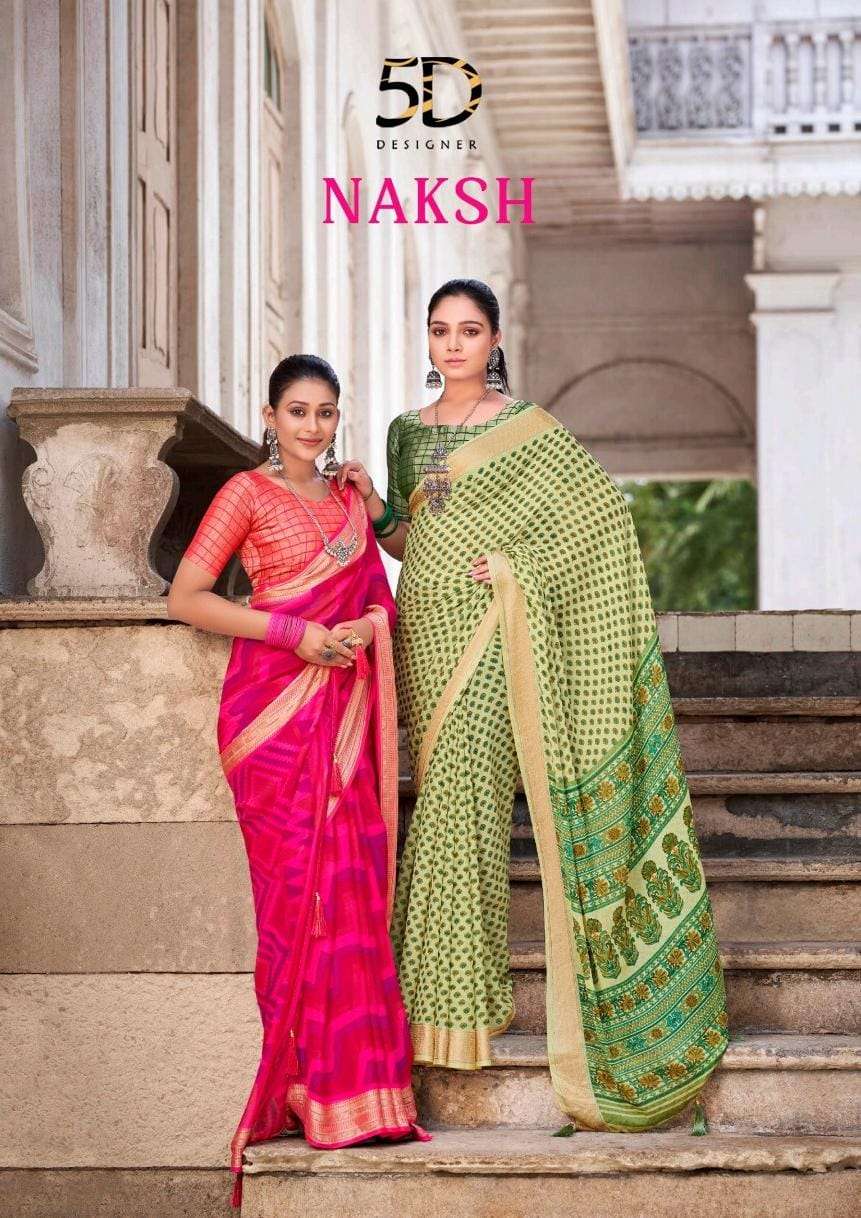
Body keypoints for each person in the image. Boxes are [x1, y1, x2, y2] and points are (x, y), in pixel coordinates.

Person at [336, 279, 729, 1135]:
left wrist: (516, 568)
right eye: (440, 330)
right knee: (444, 796)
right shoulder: (408, 432)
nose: (452, 344)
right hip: (425, 626)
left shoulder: (530, 430)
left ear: (494, 340)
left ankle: (454, 1009)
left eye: (468, 330)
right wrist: (374, 507)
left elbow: (597, 525)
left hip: (491, 624)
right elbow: (413, 535)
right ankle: (436, 1006)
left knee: (463, 800)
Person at [167, 354, 428, 1209]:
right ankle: (299, 1087)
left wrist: (364, 619)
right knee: (293, 903)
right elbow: (187, 598)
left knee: (347, 894)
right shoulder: (244, 493)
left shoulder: (351, 500)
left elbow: (388, 592)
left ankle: (358, 1095)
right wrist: (294, 634)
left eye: (325, 412)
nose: (312, 427)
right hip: (271, 721)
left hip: (342, 712)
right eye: (297, 412)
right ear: (269, 417)